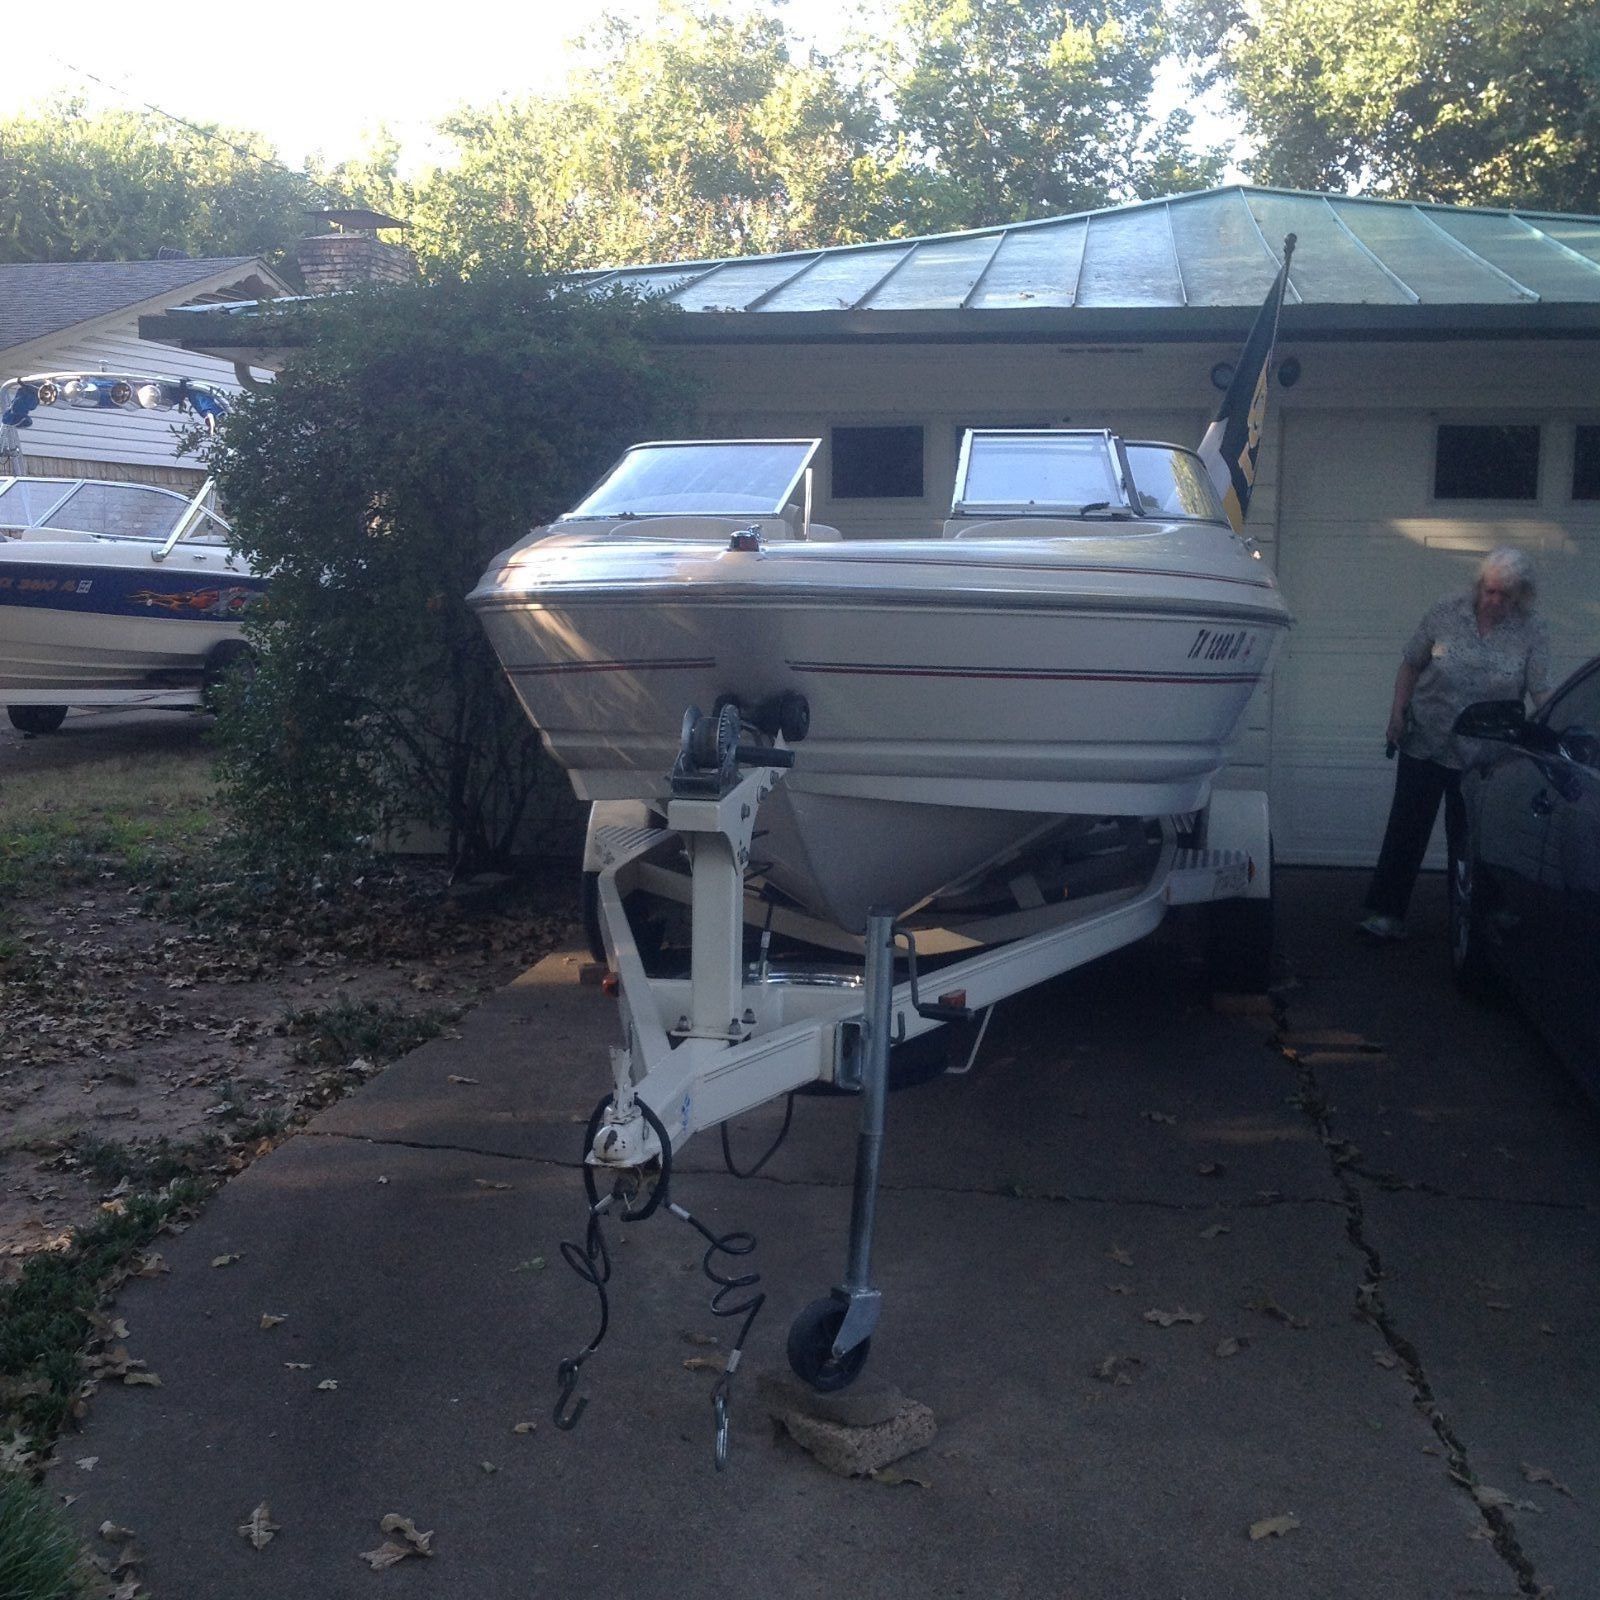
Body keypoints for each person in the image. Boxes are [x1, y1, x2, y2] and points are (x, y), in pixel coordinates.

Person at [1357, 547, 1552, 941]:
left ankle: (1474, 919)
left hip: (1483, 755)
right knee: (1406, 830)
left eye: (1505, 595)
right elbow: (1411, 663)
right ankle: (1386, 915)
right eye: (1490, 591)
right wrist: (1397, 713)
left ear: (1520, 596)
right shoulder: (1447, 611)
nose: (1494, 601)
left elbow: (1540, 689)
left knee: (1472, 839)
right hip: (1426, 739)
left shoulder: (1532, 630)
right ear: (1479, 586)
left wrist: (1556, 726)